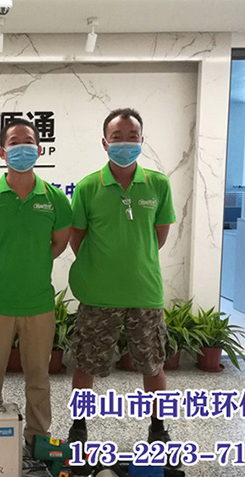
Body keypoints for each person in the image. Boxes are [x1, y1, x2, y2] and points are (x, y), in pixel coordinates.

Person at [67, 108, 176, 445]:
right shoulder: (88, 187)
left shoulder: (158, 184)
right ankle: (79, 427)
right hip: (98, 294)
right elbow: (77, 239)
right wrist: (104, 266)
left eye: (132, 137)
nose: (125, 143)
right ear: (105, 143)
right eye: (117, 137)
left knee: (152, 364)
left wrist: (133, 259)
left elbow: (159, 236)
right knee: (85, 363)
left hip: (144, 293)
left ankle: (158, 428)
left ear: (142, 140)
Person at [0, 118, 72, 447]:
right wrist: (0, 267)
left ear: (39, 150)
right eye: (14, 142)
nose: (22, 148)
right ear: (2, 151)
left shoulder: (55, 199)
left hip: (38, 303)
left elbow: (59, 243)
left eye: (28, 141)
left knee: (38, 376)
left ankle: (38, 436)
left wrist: (32, 265)